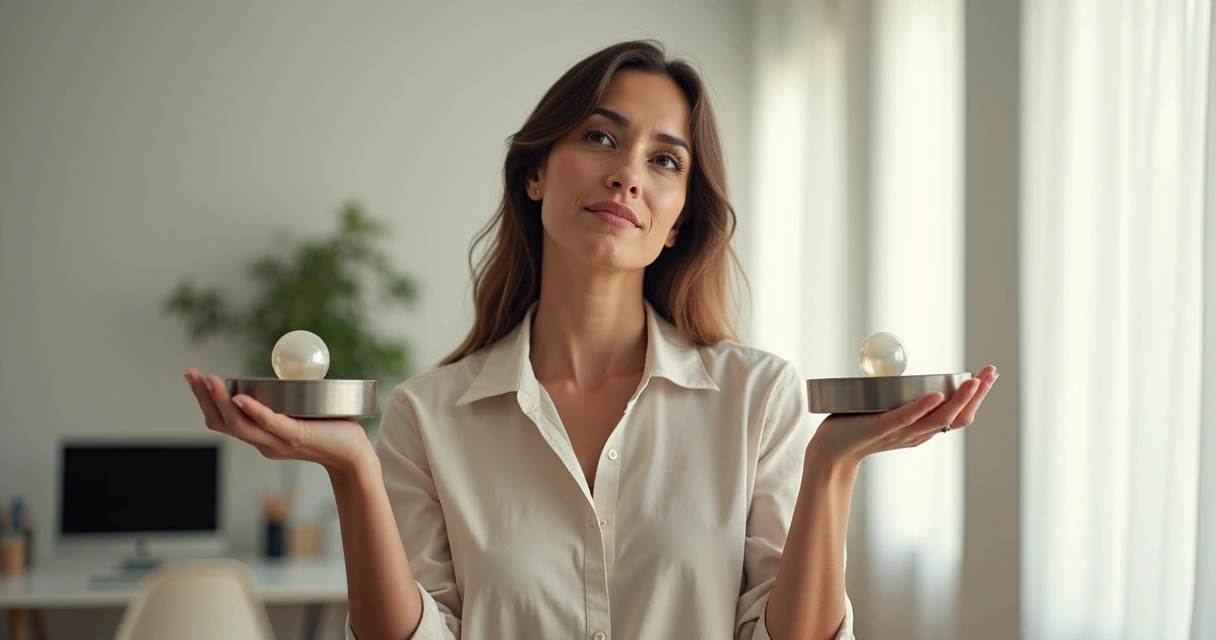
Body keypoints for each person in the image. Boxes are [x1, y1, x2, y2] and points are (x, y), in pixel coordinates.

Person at [184, 39, 997, 640]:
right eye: (601, 138)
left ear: (679, 221)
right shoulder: (428, 415)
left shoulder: (759, 398)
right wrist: (352, 468)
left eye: (665, 160)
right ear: (536, 172)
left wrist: (831, 467)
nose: (628, 175)